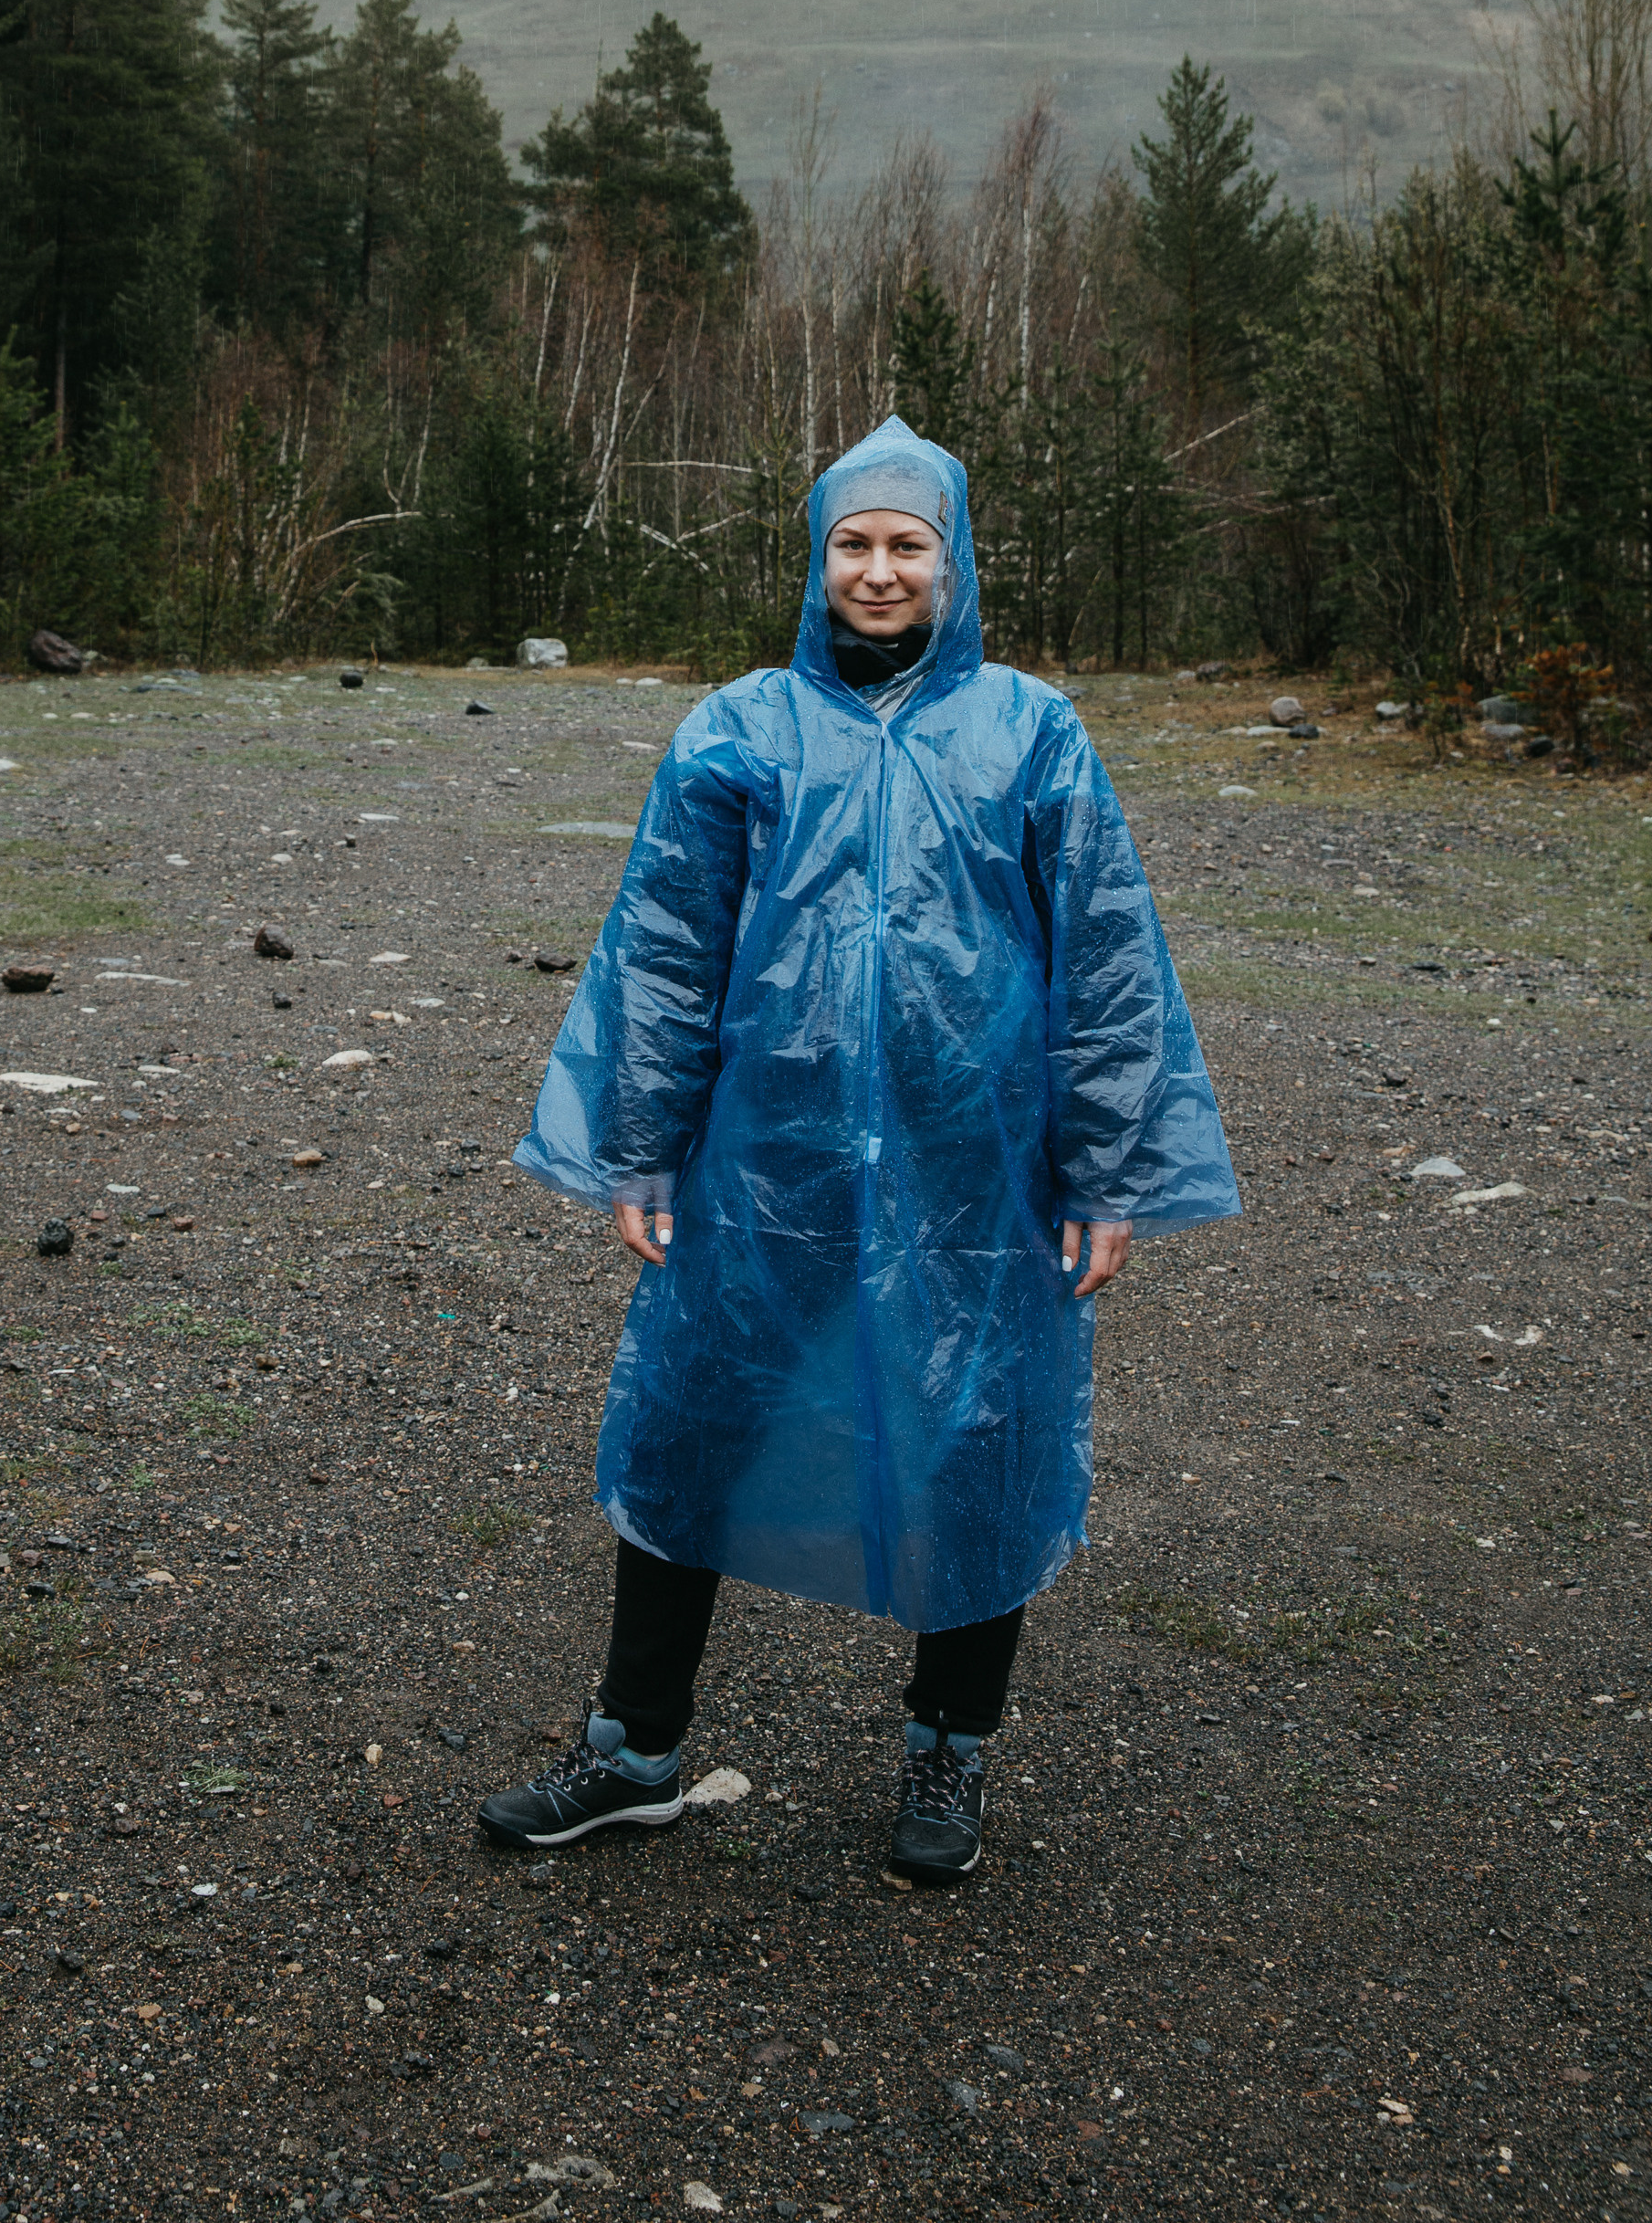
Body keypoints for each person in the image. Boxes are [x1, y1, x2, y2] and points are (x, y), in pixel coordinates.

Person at [478, 414, 1239, 1879]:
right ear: (816, 557)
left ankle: (949, 1753)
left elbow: (1107, 963)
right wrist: (640, 1147)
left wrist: (1107, 1171)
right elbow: (666, 949)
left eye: (907, 546)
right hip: (770, 1155)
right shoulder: (740, 731)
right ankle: (635, 1749)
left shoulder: (1031, 730)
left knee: (976, 1432)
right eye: (853, 544)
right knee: (694, 1420)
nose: (877, 571)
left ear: (954, 563)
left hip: (977, 1163)